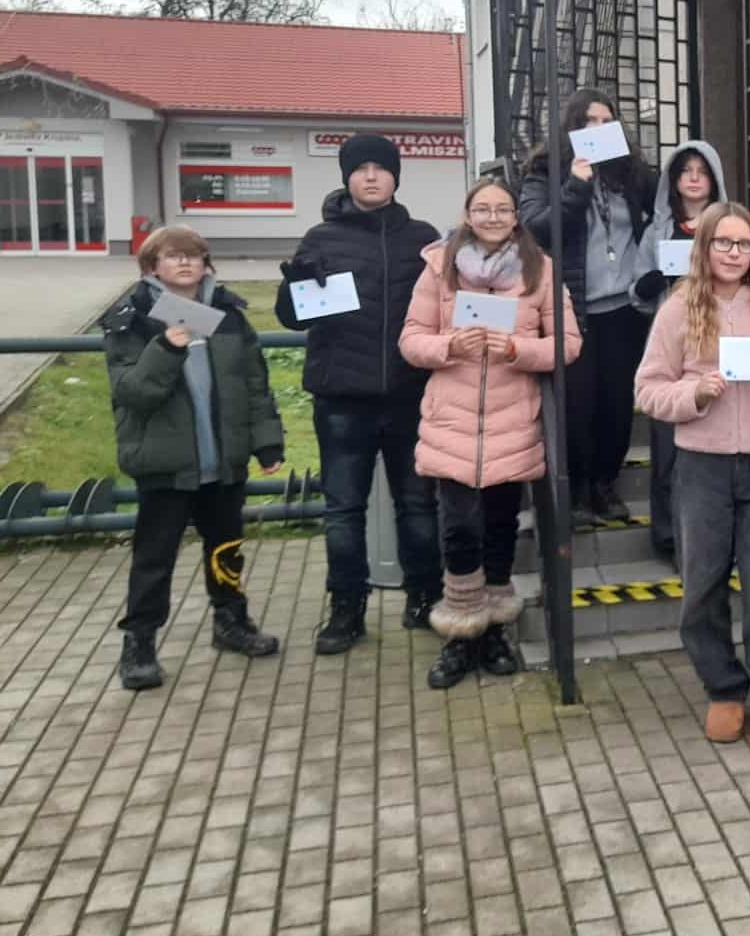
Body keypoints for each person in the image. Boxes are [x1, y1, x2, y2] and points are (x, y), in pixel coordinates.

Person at [635, 201, 750, 744]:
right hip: (701, 465)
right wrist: (695, 392)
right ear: (704, 247)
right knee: (702, 585)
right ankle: (724, 687)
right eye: (723, 243)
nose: (734, 253)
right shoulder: (678, 309)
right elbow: (648, 389)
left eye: (744, 244)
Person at [399, 179, 582, 690]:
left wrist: (519, 351)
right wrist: (448, 346)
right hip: (452, 421)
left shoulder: (541, 269)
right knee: (458, 529)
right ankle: (461, 632)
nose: (493, 216)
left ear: (516, 216)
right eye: (483, 208)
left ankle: (496, 630)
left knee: (501, 526)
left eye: (503, 209)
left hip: (512, 420)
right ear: (467, 214)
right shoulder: (439, 267)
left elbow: (567, 344)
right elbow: (410, 339)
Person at [274, 133, 444, 650]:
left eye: (381, 167)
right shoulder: (321, 238)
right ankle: (346, 609)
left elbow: (444, 305)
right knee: (343, 511)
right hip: (342, 397)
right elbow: (291, 318)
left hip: (409, 395)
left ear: (396, 176)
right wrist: (295, 285)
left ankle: (424, 597)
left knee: (417, 505)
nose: (371, 176)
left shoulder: (423, 237)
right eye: (360, 168)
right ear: (346, 177)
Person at [105, 227, 284, 690]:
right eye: (173, 256)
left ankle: (231, 622)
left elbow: (255, 383)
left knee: (226, 546)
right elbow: (133, 392)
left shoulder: (227, 314)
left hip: (223, 458)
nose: (185, 263)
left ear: (206, 263)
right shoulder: (133, 319)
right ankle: (139, 644)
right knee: (154, 556)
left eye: (194, 255)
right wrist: (167, 347)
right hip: (166, 461)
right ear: (152, 266)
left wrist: (267, 442)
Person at [519, 90, 655, 522]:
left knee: (617, 404)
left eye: (606, 121)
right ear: (571, 129)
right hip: (574, 308)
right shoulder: (546, 173)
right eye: (588, 121)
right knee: (577, 405)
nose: (598, 128)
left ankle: (605, 486)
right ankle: (576, 491)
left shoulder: (630, 173)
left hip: (624, 309)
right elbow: (538, 230)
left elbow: (664, 209)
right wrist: (576, 185)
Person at [631, 139, 728, 559]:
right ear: (673, 179)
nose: (693, 178)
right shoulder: (657, 229)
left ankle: (716, 540)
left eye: (702, 171)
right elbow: (636, 290)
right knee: (667, 449)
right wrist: (649, 283)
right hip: (671, 348)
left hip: (719, 345)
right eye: (686, 170)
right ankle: (668, 537)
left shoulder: (731, 225)